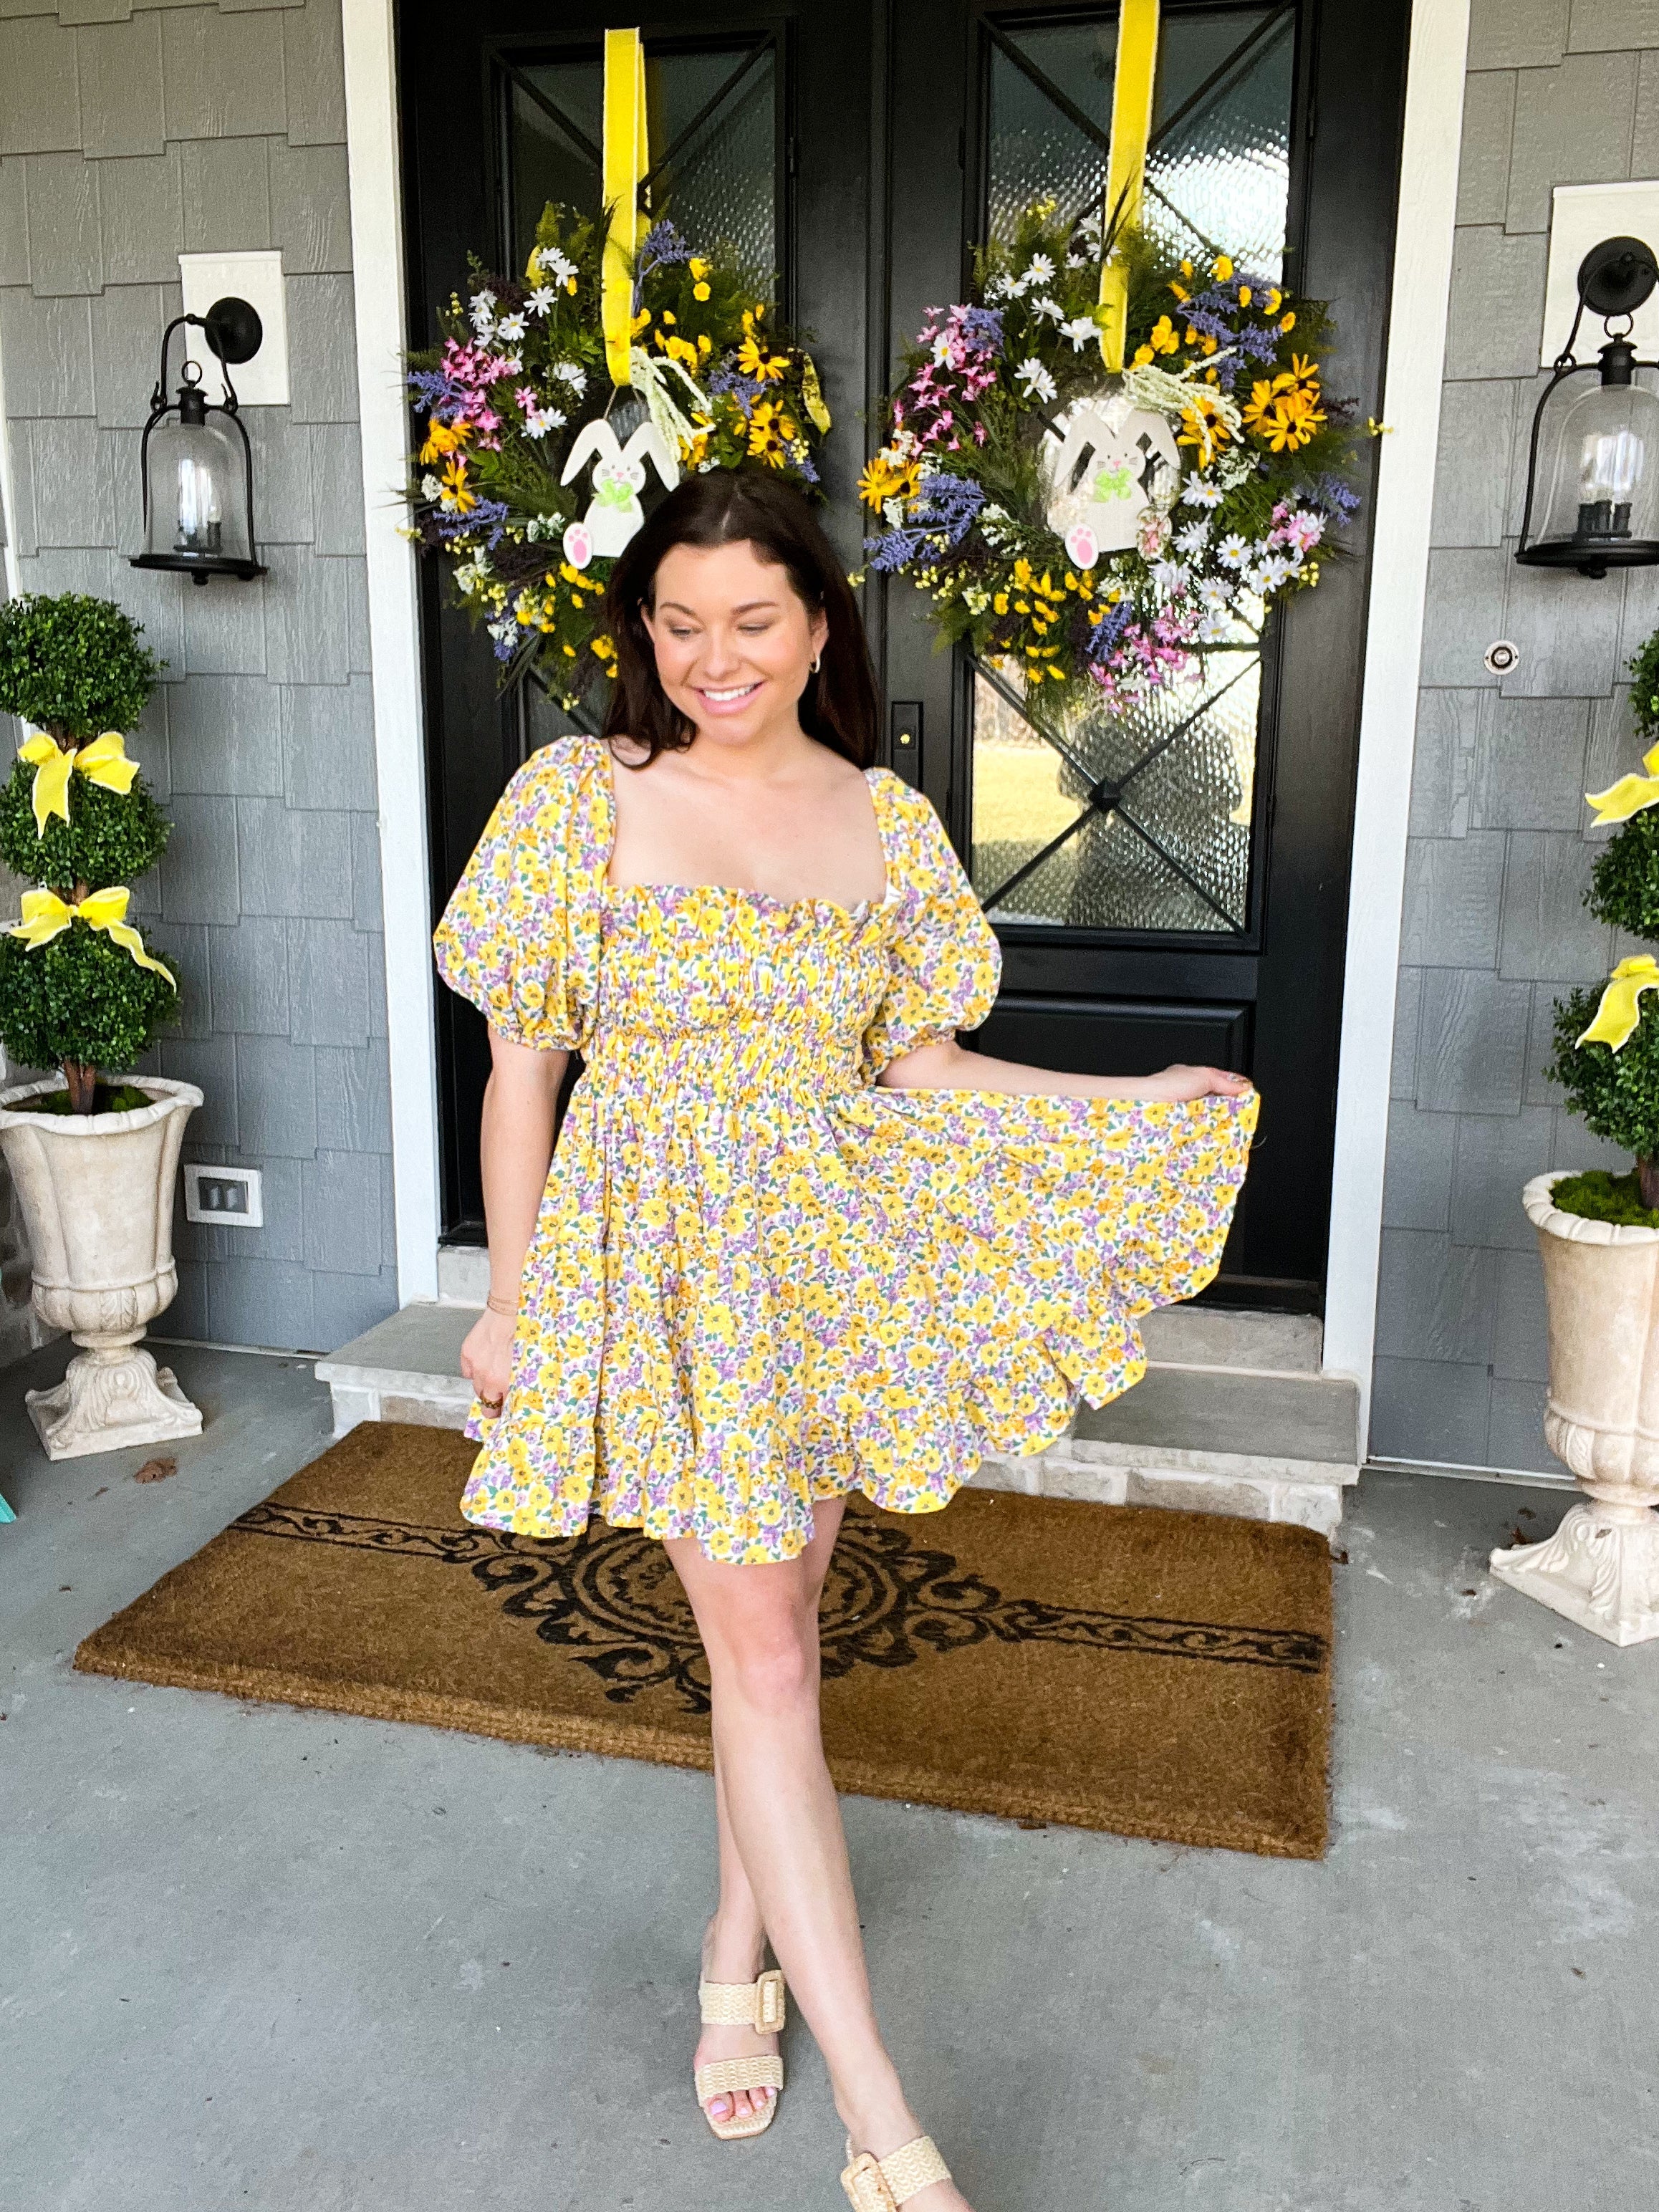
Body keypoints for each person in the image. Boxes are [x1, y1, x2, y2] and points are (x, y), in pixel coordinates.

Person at [433, 466, 1256, 2212]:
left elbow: (925, 1065)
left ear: (819, 625)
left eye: (752, 619)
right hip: (661, 1270)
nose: (713, 656)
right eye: (678, 622)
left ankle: (738, 1936)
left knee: (782, 1634)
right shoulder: (578, 795)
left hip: (826, 1274)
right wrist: (509, 1300)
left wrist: (1127, 1099)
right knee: (769, 1656)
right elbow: (522, 1074)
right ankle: (887, 2129)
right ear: (643, 628)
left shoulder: (885, 819)